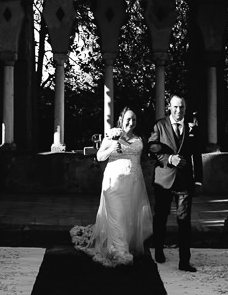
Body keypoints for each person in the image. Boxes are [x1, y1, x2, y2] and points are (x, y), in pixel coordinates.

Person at [71, 108, 153, 267]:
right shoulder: (111, 135)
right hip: (113, 183)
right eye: (128, 119)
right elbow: (100, 156)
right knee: (117, 216)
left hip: (134, 185)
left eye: (134, 120)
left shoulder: (138, 138)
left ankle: (125, 244)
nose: (131, 122)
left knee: (128, 218)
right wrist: (114, 143)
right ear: (121, 120)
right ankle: (119, 252)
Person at [148, 94, 203, 272]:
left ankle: (184, 261)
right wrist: (169, 158)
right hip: (163, 179)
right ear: (169, 107)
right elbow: (151, 148)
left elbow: (196, 154)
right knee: (161, 217)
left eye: (182, 107)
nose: (179, 111)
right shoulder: (159, 125)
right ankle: (158, 250)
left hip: (185, 181)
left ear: (185, 109)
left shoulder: (192, 126)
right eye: (176, 107)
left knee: (184, 221)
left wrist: (199, 179)